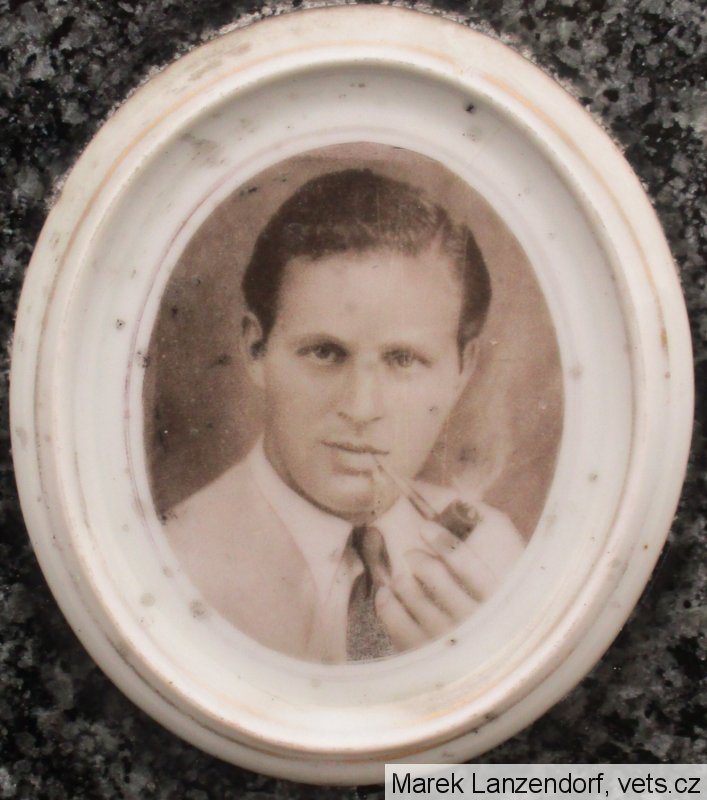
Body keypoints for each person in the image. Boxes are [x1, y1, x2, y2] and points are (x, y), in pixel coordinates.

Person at [164, 168, 524, 663]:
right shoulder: (174, 570)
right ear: (255, 349)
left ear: (463, 369)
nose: (360, 408)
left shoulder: (497, 556)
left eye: (403, 359)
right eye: (325, 353)